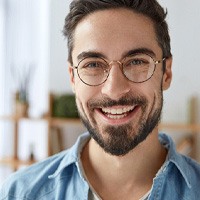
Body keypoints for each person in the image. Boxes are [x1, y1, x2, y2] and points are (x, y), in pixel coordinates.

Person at [1, 0, 200, 199]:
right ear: (73, 77)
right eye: (93, 64)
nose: (114, 90)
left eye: (137, 61)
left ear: (166, 72)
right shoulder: (18, 193)